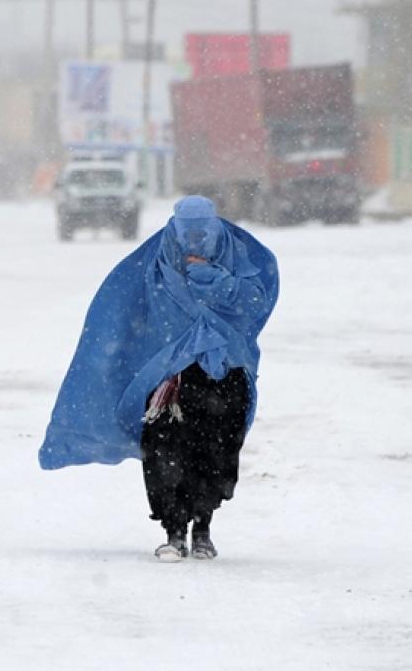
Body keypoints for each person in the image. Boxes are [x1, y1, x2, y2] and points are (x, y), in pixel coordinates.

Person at [39, 195, 279, 561]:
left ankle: (202, 528)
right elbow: (124, 313)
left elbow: (254, 304)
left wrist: (215, 281)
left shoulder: (237, 257)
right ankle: (173, 530)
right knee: (166, 452)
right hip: (168, 380)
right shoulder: (155, 263)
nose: (196, 240)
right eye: (189, 231)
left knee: (216, 453)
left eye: (203, 231)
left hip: (225, 375)